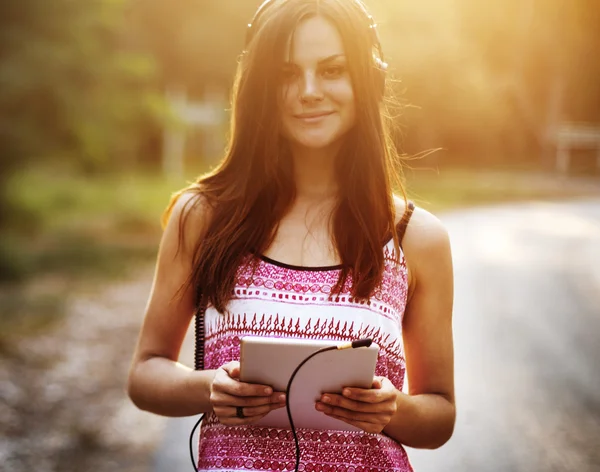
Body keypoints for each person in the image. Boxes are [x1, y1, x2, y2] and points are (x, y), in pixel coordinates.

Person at [127, 0, 455, 470]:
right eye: (285, 74)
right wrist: (209, 387)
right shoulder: (200, 217)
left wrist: (393, 409)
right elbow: (144, 375)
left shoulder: (416, 238)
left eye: (332, 70)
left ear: (369, 79)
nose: (308, 91)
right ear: (259, 88)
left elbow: (439, 417)